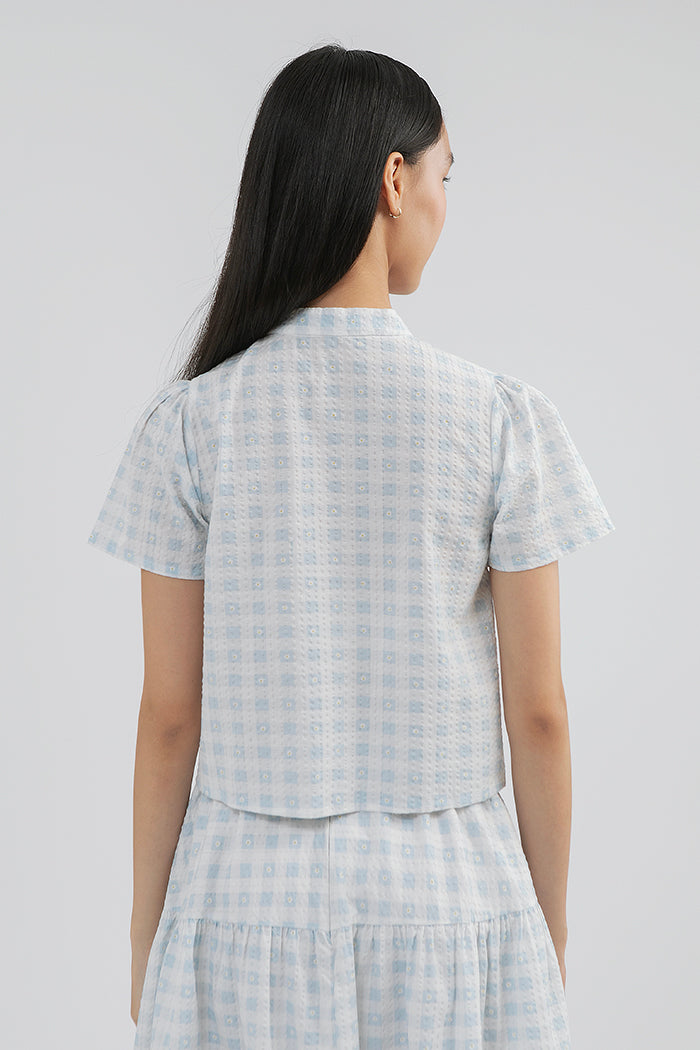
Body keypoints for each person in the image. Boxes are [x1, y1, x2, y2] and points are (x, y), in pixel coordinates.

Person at [87, 43, 615, 1049]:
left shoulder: (191, 425)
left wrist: (146, 934)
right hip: (454, 907)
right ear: (393, 180)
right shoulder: (498, 420)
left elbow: (168, 716)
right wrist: (547, 928)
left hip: (239, 908)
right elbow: (539, 713)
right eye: (445, 175)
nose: (444, 206)